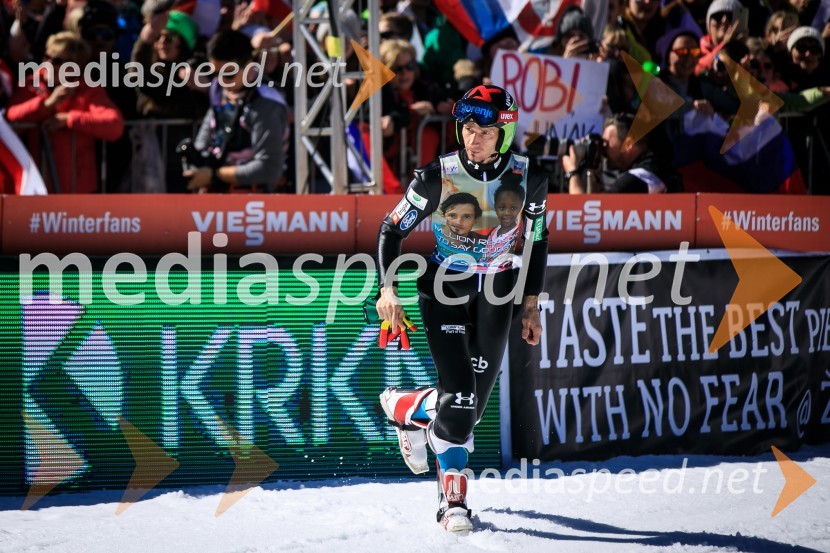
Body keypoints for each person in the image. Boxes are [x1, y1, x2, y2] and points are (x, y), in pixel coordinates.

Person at [375, 85, 549, 533]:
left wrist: (530, 304)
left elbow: (536, 239)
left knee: (468, 411)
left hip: (498, 292)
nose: (474, 139)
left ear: (504, 135)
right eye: (468, 129)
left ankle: (408, 407)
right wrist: (387, 288)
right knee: (461, 396)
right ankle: (453, 502)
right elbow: (391, 230)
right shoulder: (437, 176)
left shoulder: (530, 178)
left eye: (485, 132)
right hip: (445, 289)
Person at [183, 29, 288, 193]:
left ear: (249, 66)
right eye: (215, 73)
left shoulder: (266, 103)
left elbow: (269, 167)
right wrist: (197, 161)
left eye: (229, 74)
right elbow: (207, 133)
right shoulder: (218, 89)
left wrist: (213, 175)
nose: (222, 81)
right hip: (218, 196)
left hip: (256, 203)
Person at [561, 113, 682, 194]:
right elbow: (595, 206)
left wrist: (573, 173)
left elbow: (586, 216)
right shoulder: (655, 166)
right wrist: (593, 172)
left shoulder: (640, 177)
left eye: (606, 144)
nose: (603, 151)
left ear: (628, 144)